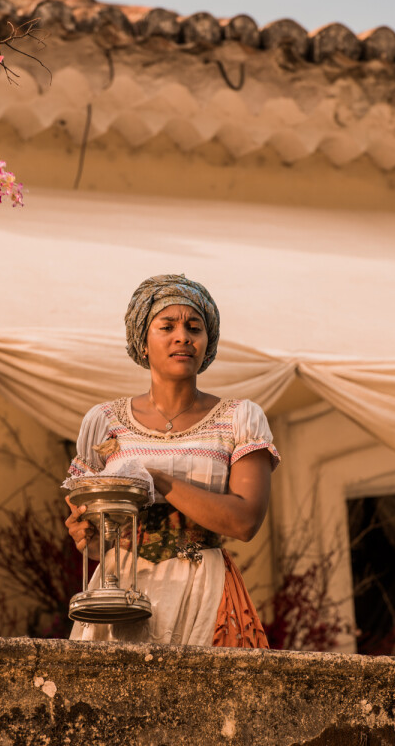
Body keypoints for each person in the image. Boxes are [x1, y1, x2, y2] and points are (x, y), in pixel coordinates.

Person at [64, 274, 278, 647]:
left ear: (207, 344)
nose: (183, 336)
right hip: (121, 591)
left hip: (203, 586)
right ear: (142, 343)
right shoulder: (103, 422)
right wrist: (86, 536)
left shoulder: (240, 418)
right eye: (167, 326)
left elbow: (244, 522)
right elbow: (91, 528)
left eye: (194, 327)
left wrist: (158, 479)